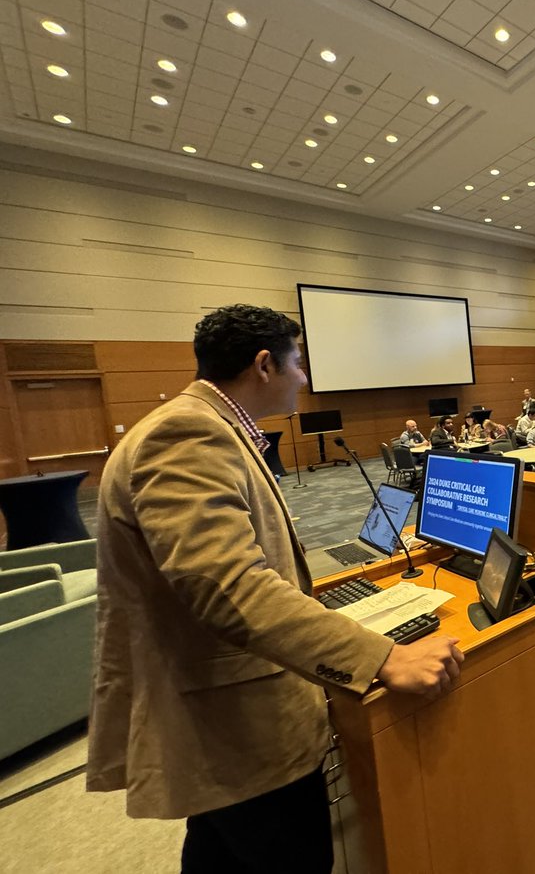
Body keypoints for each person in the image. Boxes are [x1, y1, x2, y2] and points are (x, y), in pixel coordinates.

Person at [86, 305, 463, 871]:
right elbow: (228, 587)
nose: (306, 379)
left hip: (220, 719)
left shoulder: (208, 428)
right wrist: (383, 657)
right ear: (265, 365)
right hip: (240, 725)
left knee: (220, 855)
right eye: (300, 363)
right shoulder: (189, 435)